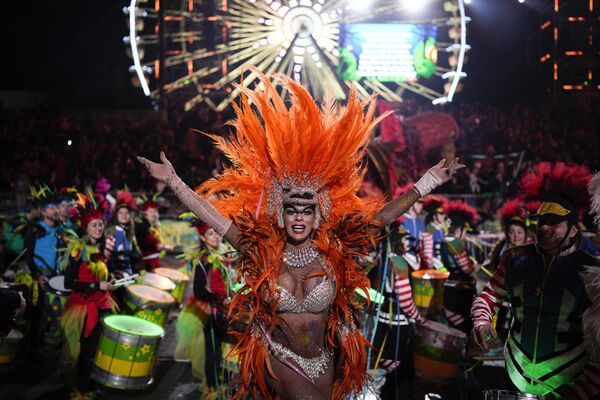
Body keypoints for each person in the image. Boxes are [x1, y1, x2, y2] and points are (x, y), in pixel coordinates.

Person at [138, 70, 463, 399]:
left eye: (306, 210)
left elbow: (380, 219)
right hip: (280, 359)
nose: (298, 216)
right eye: (292, 208)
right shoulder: (262, 251)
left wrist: (426, 184)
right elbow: (217, 219)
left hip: (324, 362)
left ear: (316, 214)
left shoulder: (334, 249)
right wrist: (176, 183)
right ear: (281, 211)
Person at [471, 162, 600, 399]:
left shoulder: (592, 271)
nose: (545, 228)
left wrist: (576, 393)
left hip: (568, 382)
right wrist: (481, 321)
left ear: (573, 230)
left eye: (554, 222)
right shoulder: (514, 259)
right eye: (542, 221)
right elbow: (487, 297)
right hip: (516, 372)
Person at [60, 193, 115, 397]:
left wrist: (110, 281)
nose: (99, 228)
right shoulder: (77, 250)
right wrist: (95, 283)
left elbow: (101, 275)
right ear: (86, 228)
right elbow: (69, 283)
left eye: (100, 224)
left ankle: (94, 384)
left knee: (100, 348)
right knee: (86, 352)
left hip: (103, 303)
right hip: (84, 306)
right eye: (94, 225)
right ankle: (82, 388)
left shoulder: (100, 249)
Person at [175, 216, 230, 398]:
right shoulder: (204, 259)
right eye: (210, 233)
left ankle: (218, 381)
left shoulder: (222, 254)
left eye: (216, 233)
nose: (215, 237)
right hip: (209, 309)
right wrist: (218, 299)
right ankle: (212, 388)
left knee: (220, 347)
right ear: (203, 237)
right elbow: (199, 290)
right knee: (212, 349)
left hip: (222, 307)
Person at [441, 200, 478, 334]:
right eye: (464, 232)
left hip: (449, 284)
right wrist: (474, 268)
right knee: (464, 324)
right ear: (458, 230)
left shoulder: (444, 241)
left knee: (452, 324)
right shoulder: (457, 244)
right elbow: (466, 269)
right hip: (461, 288)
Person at [483, 198, 529, 273]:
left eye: (519, 232)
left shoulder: (531, 250)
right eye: (511, 232)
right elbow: (490, 264)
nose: (516, 236)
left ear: (525, 234)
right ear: (506, 234)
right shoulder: (500, 246)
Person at [107, 189, 138, 275]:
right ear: (116, 215)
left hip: (129, 274)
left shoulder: (129, 232)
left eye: (126, 212)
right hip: (116, 275)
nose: (124, 215)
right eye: (121, 212)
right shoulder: (111, 231)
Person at [135, 194, 165, 271]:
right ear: (145, 213)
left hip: (154, 261)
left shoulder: (151, 227)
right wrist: (157, 246)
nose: (154, 214)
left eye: (155, 211)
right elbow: (141, 244)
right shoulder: (142, 226)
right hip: (147, 263)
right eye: (151, 211)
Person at [396, 182, 425, 256]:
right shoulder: (401, 220)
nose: (421, 205)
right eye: (418, 202)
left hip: (416, 258)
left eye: (422, 203)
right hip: (403, 256)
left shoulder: (421, 224)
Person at [420, 195, 448, 269]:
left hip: (441, 263)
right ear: (434, 216)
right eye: (441, 214)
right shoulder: (429, 228)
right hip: (434, 265)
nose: (443, 216)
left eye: (443, 213)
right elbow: (428, 252)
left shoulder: (441, 228)